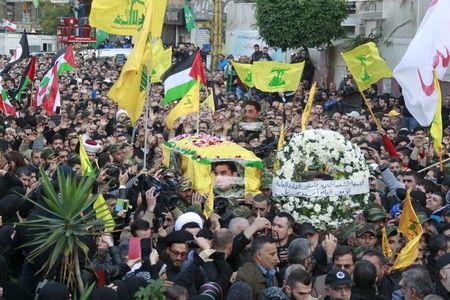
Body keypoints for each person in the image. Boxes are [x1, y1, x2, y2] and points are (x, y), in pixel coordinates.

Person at [236, 235, 280, 299]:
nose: (277, 259)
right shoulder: (245, 276)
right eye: (272, 254)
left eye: (276, 253)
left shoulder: (270, 270)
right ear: (259, 256)